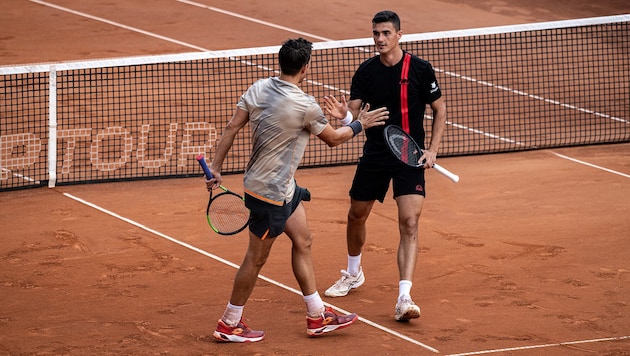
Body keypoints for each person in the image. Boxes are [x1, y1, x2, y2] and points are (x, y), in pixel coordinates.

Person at [206, 37, 389, 342]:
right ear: (306, 67)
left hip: (281, 187)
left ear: (282, 62)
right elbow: (333, 138)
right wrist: (360, 124)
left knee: (303, 241)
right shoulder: (305, 105)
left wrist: (215, 166)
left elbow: (231, 128)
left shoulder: (258, 88)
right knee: (255, 259)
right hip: (270, 194)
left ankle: (317, 316)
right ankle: (229, 322)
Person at [322, 10, 447, 322]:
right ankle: (353, 273)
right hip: (377, 153)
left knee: (409, 222)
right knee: (356, 215)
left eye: (386, 33)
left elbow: (440, 110)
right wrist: (344, 116)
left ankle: (404, 296)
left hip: (411, 156)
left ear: (399, 35)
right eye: (376, 33)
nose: (379, 39)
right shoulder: (366, 72)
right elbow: (354, 116)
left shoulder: (420, 69)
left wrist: (431, 150)